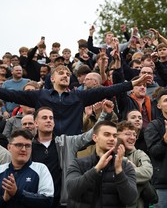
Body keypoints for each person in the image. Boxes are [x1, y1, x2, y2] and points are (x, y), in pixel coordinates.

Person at [0, 65, 151, 135]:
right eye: (61, 73)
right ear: (52, 78)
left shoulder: (78, 97)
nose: (66, 75)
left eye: (68, 73)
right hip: (47, 144)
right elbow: (9, 94)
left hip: (72, 146)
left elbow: (108, 90)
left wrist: (133, 83)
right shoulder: (40, 95)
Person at [66, 120, 137, 207]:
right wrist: (96, 169)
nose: (111, 139)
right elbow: (72, 191)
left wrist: (119, 171)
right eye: (106, 134)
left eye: (114, 136)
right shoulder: (79, 163)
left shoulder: (125, 166)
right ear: (95, 138)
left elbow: (130, 199)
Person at [0, 129, 54, 207]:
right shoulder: (1, 170)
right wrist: (4, 199)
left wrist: (17, 193)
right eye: (18, 145)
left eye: (28, 146)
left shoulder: (41, 169)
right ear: (9, 147)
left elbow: (47, 200)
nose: (23, 149)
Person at [117, 121, 154, 208]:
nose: (132, 137)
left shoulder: (139, 154)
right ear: (117, 135)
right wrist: (125, 163)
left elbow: (147, 172)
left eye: (134, 135)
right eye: (128, 134)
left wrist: (124, 171)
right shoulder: (108, 153)